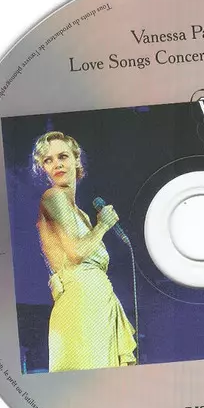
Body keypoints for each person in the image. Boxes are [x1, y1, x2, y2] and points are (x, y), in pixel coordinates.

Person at [32, 130, 137, 372]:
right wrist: (104, 225)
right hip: (81, 307)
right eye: (48, 160)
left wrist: (97, 226)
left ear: (76, 160)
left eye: (63, 156)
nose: (57, 164)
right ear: (43, 168)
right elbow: (76, 252)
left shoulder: (81, 215)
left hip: (99, 305)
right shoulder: (53, 196)